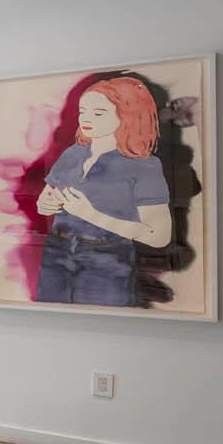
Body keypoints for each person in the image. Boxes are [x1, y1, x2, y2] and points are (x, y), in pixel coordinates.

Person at [34, 76, 172, 307]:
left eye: (98, 113)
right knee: (50, 322)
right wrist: (45, 204)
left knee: (103, 328)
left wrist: (92, 215)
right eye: (82, 111)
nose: (86, 119)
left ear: (126, 115)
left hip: (106, 259)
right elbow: (46, 196)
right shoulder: (73, 154)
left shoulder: (145, 167)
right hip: (56, 253)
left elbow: (159, 236)